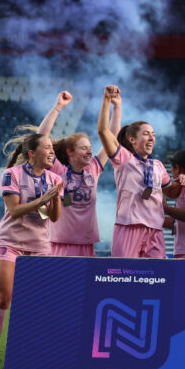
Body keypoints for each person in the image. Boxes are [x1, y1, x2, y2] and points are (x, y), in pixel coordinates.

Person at [0, 131, 64, 369]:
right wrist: (44, 198)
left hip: (39, 247)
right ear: (32, 153)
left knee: (37, 304)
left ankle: (31, 357)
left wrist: (55, 198)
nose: (52, 152)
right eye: (48, 148)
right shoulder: (12, 174)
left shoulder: (53, 178)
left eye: (53, 148)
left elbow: (54, 217)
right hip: (11, 243)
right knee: (3, 299)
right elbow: (15, 210)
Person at [97, 85, 183, 258]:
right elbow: (103, 131)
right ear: (132, 139)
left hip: (155, 231)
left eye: (153, 134)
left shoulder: (158, 165)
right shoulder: (124, 159)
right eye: (146, 134)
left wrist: (181, 182)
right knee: (123, 277)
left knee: (157, 279)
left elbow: (171, 193)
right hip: (129, 227)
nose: (152, 138)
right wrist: (111, 103)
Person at [37, 90, 121, 256]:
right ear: (70, 152)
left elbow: (111, 139)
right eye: (84, 148)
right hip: (59, 244)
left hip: (86, 245)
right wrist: (58, 106)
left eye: (90, 148)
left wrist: (116, 107)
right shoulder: (58, 170)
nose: (90, 152)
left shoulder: (93, 169)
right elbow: (39, 139)